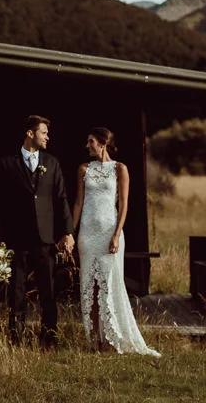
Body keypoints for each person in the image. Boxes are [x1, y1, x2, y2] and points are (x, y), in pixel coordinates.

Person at [0, 115, 74, 347]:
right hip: (17, 238)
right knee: (16, 292)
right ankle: (15, 339)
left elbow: (61, 198)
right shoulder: (7, 164)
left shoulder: (51, 163)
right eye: (43, 132)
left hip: (45, 238)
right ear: (30, 134)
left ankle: (49, 338)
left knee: (49, 291)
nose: (47, 137)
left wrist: (67, 232)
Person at [72, 126, 160, 356]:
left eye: (90, 141)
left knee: (109, 285)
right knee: (89, 286)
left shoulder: (120, 169)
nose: (87, 145)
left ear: (102, 143)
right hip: (87, 234)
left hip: (109, 232)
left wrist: (116, 234)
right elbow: (78, 204)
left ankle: (111, 339)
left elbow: (124, 205)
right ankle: (94, 339)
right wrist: (70, 233)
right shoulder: (83, 169)